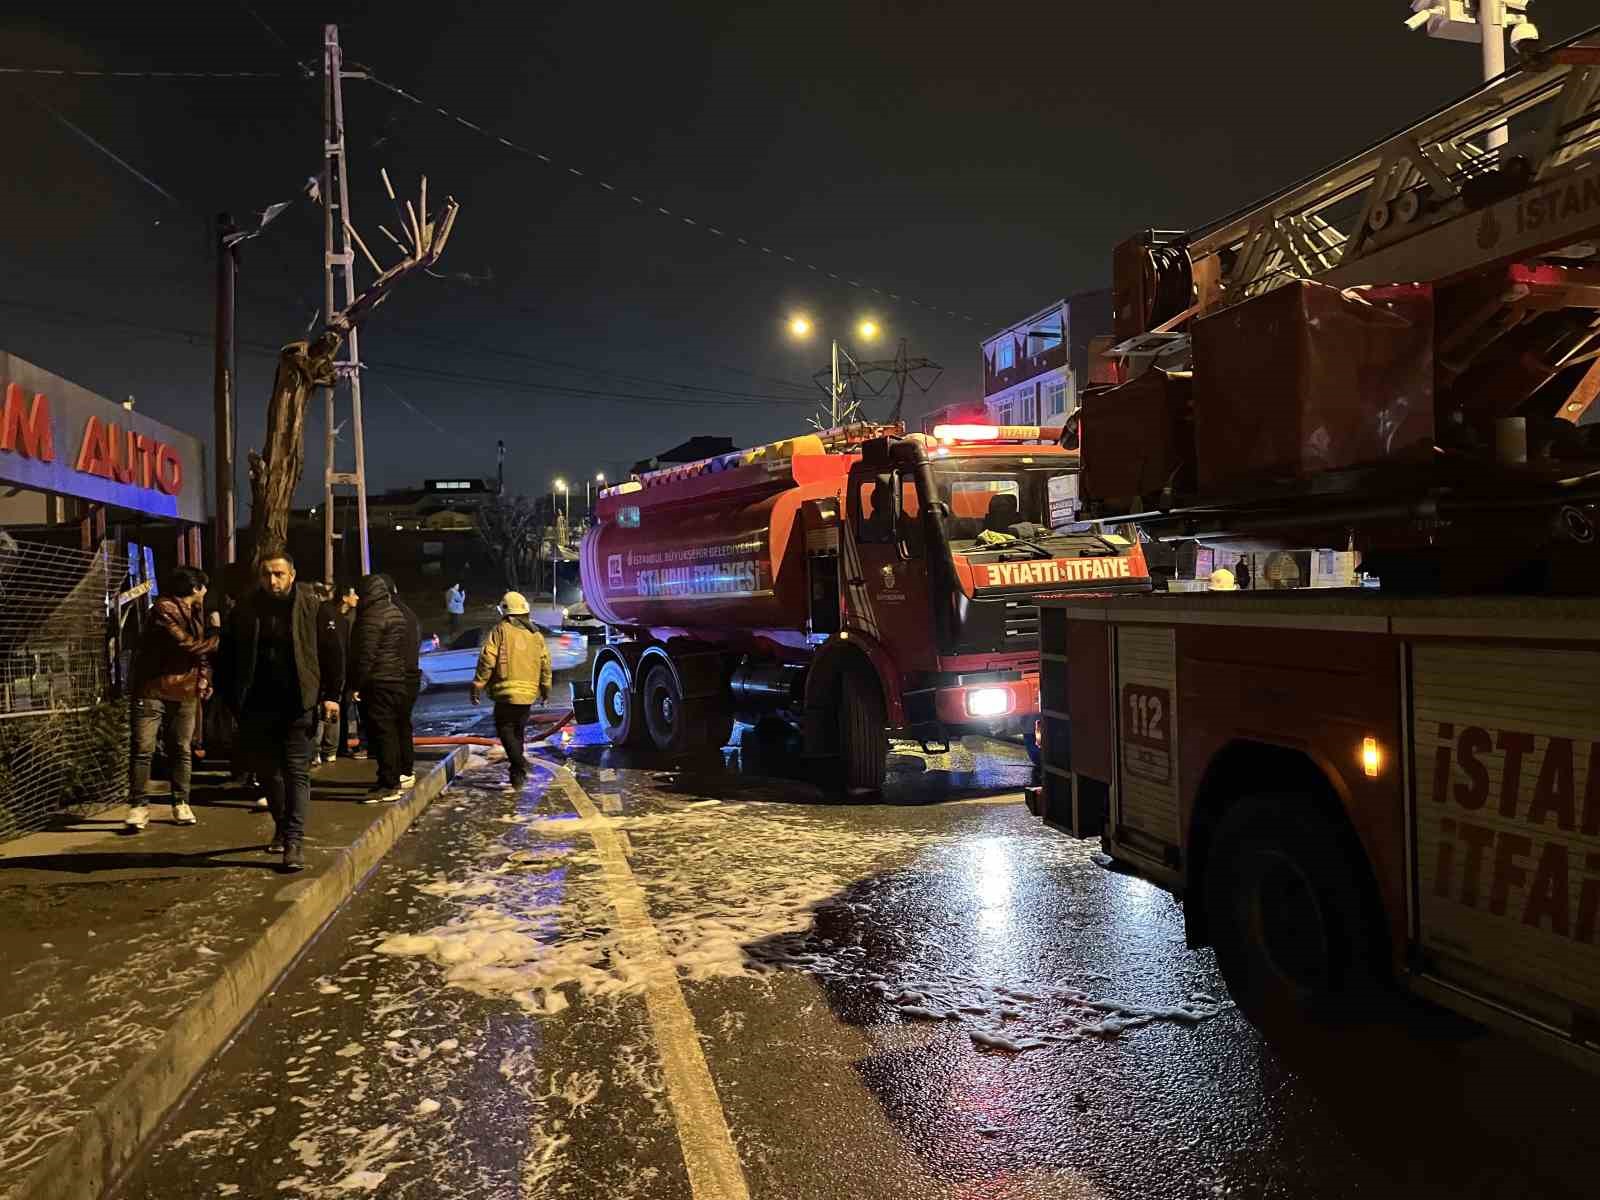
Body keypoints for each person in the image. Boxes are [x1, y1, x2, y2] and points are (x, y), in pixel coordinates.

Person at [217, 551, 341, 871]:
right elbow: (227, 657)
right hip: (257, 705)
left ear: (292, 575)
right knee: (268, 774)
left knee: (296, 772)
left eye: (279, 574)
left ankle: (294, 841)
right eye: (267, 575)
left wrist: (331, 696)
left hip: (298, 702)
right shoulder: (245, 609)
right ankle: (283, 826)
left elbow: (332, 654)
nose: (273, 581)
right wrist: (229, 700)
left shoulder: (313, 607)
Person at [125, 566, 219, 832]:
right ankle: (139, 805)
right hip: (153, 689)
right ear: (194, 589)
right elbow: (187, 644)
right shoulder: (163, 610)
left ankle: (181, 802)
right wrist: (215, 635)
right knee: (144, 748)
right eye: (203, 587)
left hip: (186, 690)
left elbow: (198, 656)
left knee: (181, 748)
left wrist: (204, 678)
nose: (205, 592)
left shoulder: (194, 612)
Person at [471, 591, 551, 791]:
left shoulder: (500, 630)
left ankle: (518, 763)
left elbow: (487, 659)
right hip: (528, 695)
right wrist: (545, 689)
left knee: (504, 728)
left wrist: (478, 684)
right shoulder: (536, 634)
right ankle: (517, 777)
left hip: (505, 692)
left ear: (505, 611)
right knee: (518, 732)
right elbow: (545, 664)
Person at [350, 573, 411, 803]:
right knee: (392, 731)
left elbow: (366, 655)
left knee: (382, 732)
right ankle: (392, 777)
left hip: (378, 682)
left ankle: (388, 782)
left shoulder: (371, 617)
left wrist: (357, 684)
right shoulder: (396, 612)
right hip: (396, 679)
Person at [381, 574, 422, 789]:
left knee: (393, 728)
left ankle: (400, 771)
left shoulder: (389, 614)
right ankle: (405, 769)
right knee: (402, 725)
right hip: (410, 676)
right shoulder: (408, 612)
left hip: (397, 678)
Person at [315, 585, 358, 764]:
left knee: (326, 711)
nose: (356, 597)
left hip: (334, 674)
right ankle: (330, 750)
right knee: (331, 710)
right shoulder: (335, 617)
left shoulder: (334, 617)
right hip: (338, 674)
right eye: (353, 593)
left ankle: (322, 751)